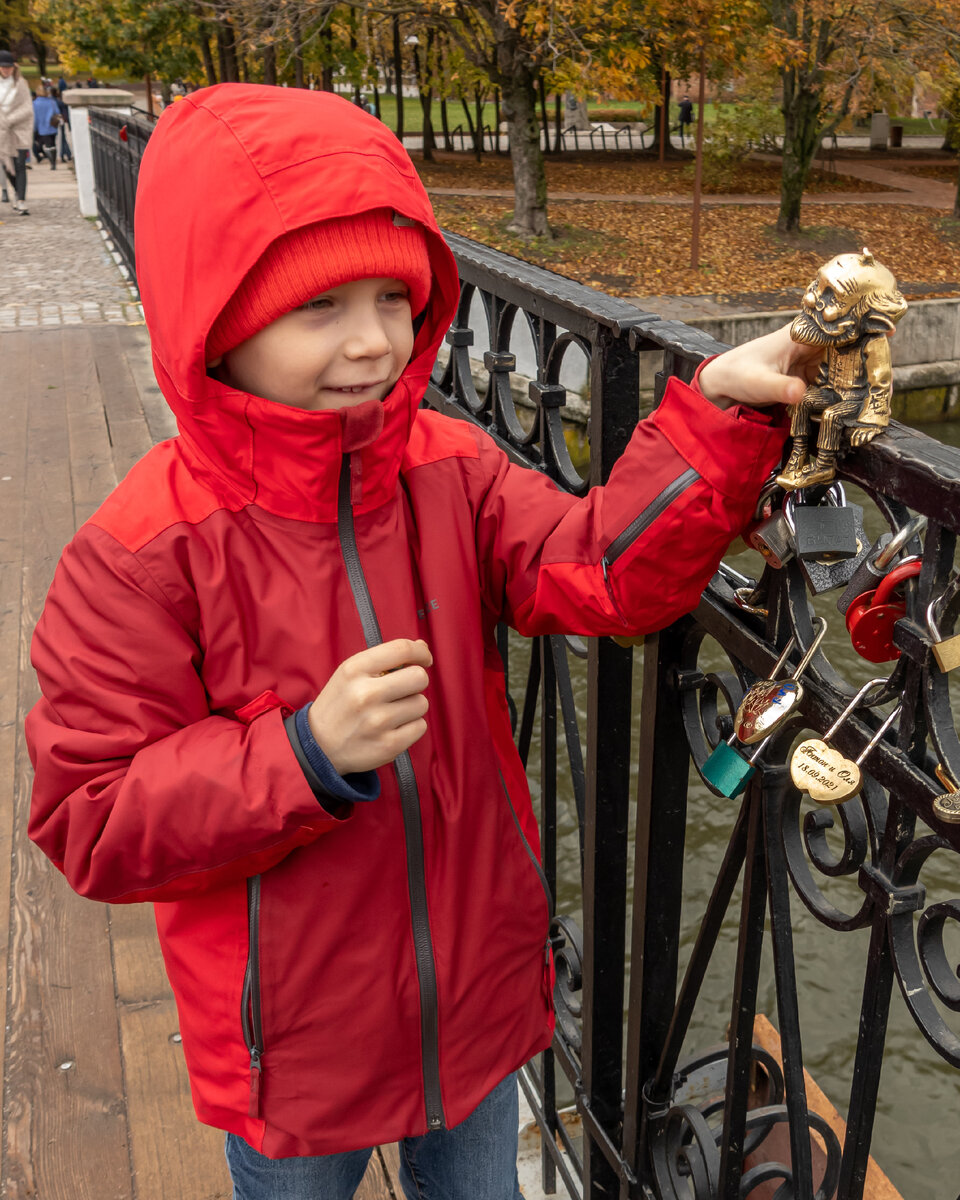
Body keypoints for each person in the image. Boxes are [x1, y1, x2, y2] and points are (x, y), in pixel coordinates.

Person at [25, 84, 814, 1199]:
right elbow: (88, 814)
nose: (374, 341)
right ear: (211, 320)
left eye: (395, 296)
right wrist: (301, 755)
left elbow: (597, 572)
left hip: (477, 1012)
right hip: (295, 1051)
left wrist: (717, 418)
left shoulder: (450, 469)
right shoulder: (145, 551)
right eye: (320, 308)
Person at [0, 49, 34, 214]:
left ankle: (21, 199)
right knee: (7, 166)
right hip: (2, 132)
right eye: (3, 67)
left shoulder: (21, 83)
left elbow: (27, 107)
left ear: (13, 67)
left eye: (8, 66)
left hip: (19, 129)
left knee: (20, 164)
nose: (6, 69)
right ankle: (16, 192)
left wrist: (10, 120)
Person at [33, 82, 62, 169]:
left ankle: (52, 162)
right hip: (52, 126)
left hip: (41, 128)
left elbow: (34, 118)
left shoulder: (34, 103)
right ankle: (53, 162)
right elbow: (57, 113)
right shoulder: (52, 102)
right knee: (53, 144)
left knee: (47, 145)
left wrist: (35, 128)